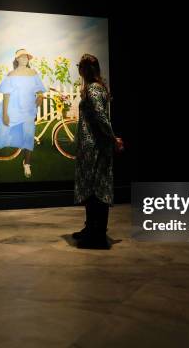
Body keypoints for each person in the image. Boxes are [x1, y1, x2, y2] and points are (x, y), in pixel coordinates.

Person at [72, 54, 124, 248]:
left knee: (96, 190)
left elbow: (101, 118)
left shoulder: (93, 89)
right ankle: (91, 228)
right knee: (91, 188)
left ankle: (98, 234)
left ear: (84, 70)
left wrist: (113, 139)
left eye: (80, 67)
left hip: (96, 147)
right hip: (92, 147)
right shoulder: (94, 88)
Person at [0, 49, 46, 178]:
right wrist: (5, 113)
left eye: (26, 56)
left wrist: (40, 96)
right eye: (21, 57)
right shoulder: (11, 74)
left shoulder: (33, 74)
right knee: (1, 135)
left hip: (28, 110)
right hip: (12, 110)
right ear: (17, 59)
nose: (24, 58)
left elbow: (39, 90)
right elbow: (6, 95)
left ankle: (27, 164)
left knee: (28, 136)